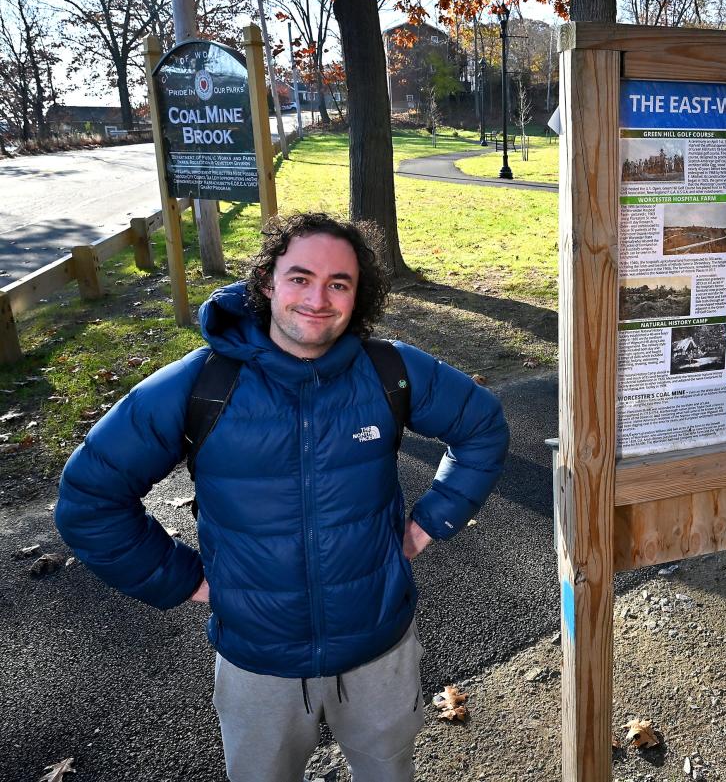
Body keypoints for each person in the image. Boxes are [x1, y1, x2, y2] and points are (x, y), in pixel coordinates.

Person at [54, 212, 509, 782]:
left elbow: (482, 428)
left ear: (357, 295)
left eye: (338, 283)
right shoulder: (202, 385)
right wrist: (184, 580)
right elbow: (88, 499)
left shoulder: (390, 371)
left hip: (379, 649)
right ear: (267, 281)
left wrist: (429, 524)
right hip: (258, 665)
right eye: (300, 278)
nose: (318, 298)